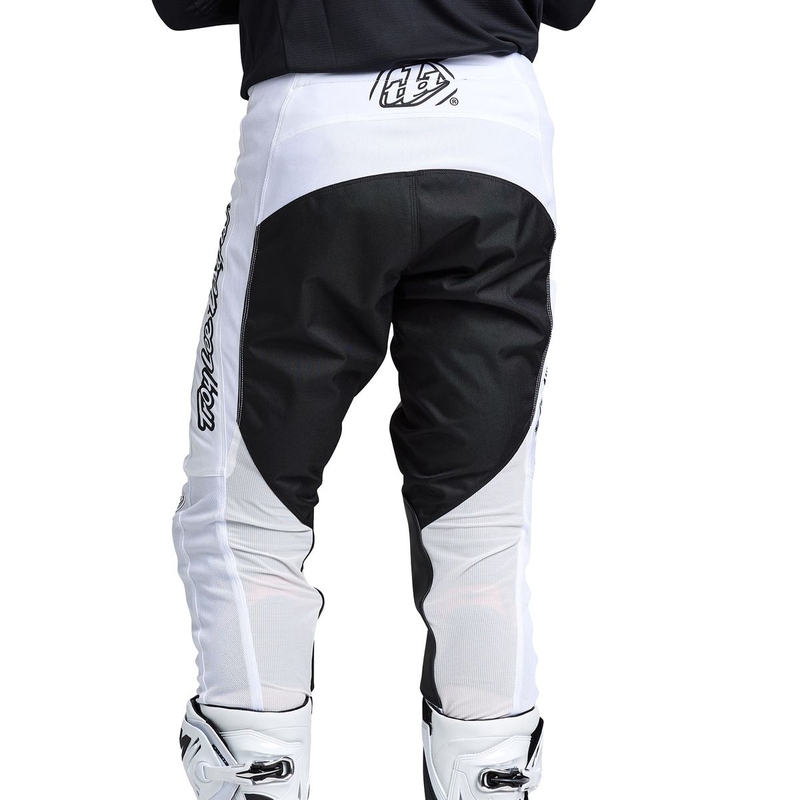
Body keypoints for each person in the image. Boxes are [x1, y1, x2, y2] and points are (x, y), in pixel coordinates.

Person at [151, 1, 596, 797]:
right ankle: (488, 776)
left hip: (319, 131)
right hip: (495, 137)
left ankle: (258, 773)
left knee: (244, 510)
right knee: (482, 528)